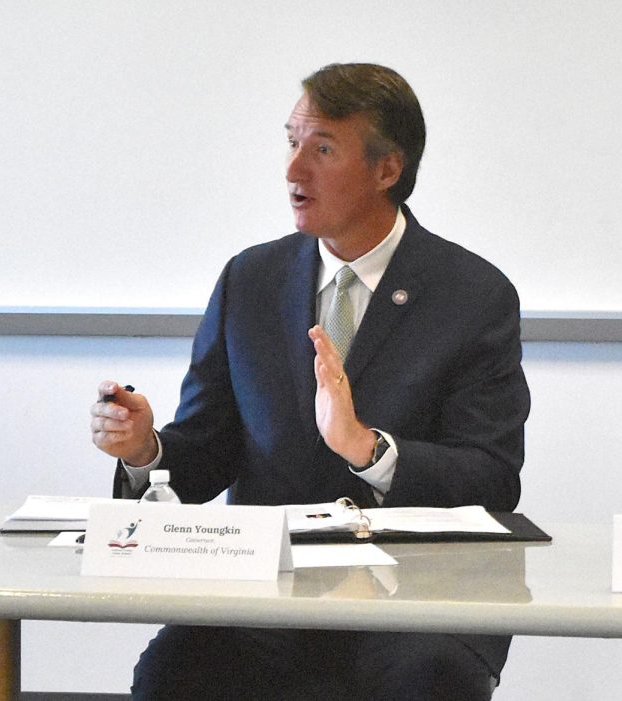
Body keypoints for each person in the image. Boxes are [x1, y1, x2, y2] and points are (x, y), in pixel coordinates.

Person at [90, 62, 530, 700]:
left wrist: (369, 451)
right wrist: (145, 450)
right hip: (271, 592)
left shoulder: (473, 295)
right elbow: (207, 454)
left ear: (388, 170)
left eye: (322, 149)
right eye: (291, 141)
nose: (293, 170)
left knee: (427, 679)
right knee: (171, 675)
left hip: (419, 602)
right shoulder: (251, 280)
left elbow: (493, 478)